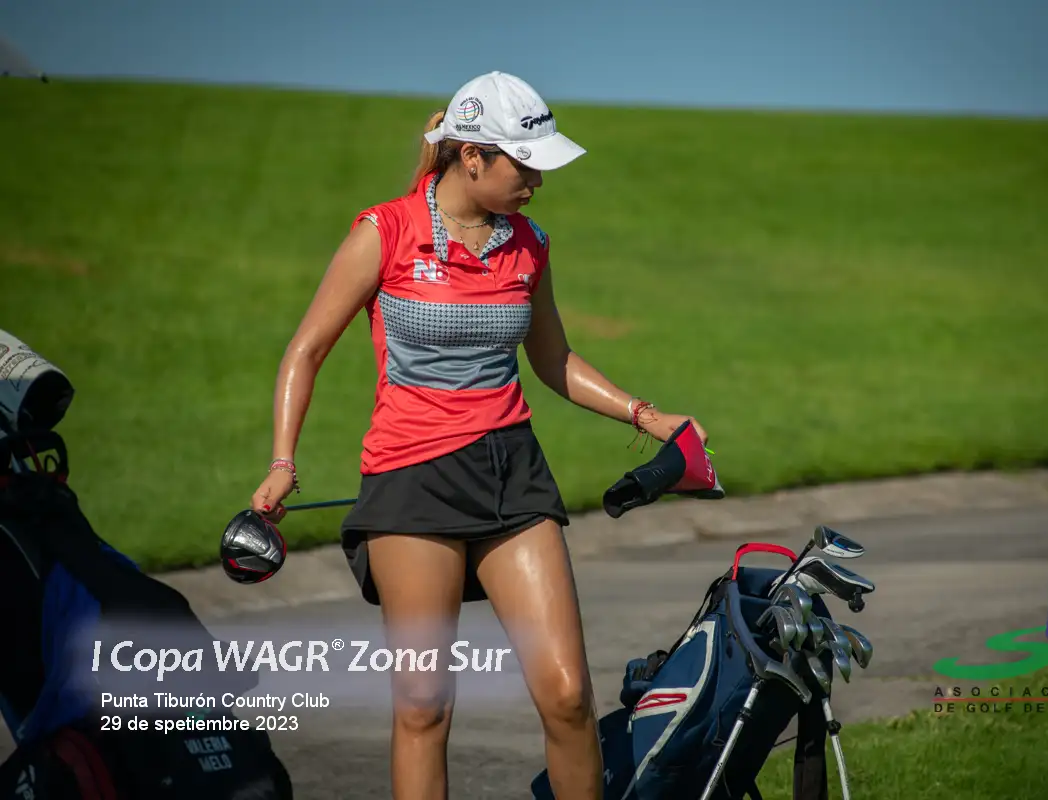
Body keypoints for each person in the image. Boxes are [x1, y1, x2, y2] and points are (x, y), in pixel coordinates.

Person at [248, 71, 708, 800]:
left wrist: (650, 417)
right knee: (424, 706)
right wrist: (282, 462)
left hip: (512, 475)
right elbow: (305, 350)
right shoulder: (385, 232)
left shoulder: (529, 244)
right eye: (525, 166)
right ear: (471, 157)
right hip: (411, 481)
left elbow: (553, 359)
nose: (537, 182)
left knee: (568, 696)